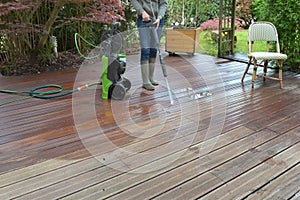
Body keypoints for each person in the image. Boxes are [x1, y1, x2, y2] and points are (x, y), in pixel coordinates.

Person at [131, 0, 168, 90]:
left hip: (158, 20)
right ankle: (145, 81)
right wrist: (142, 12)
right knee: (145, 49)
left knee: (153, 49)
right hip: (144, 19)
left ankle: (151, 78)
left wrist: (159, 17)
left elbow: (163, 3)